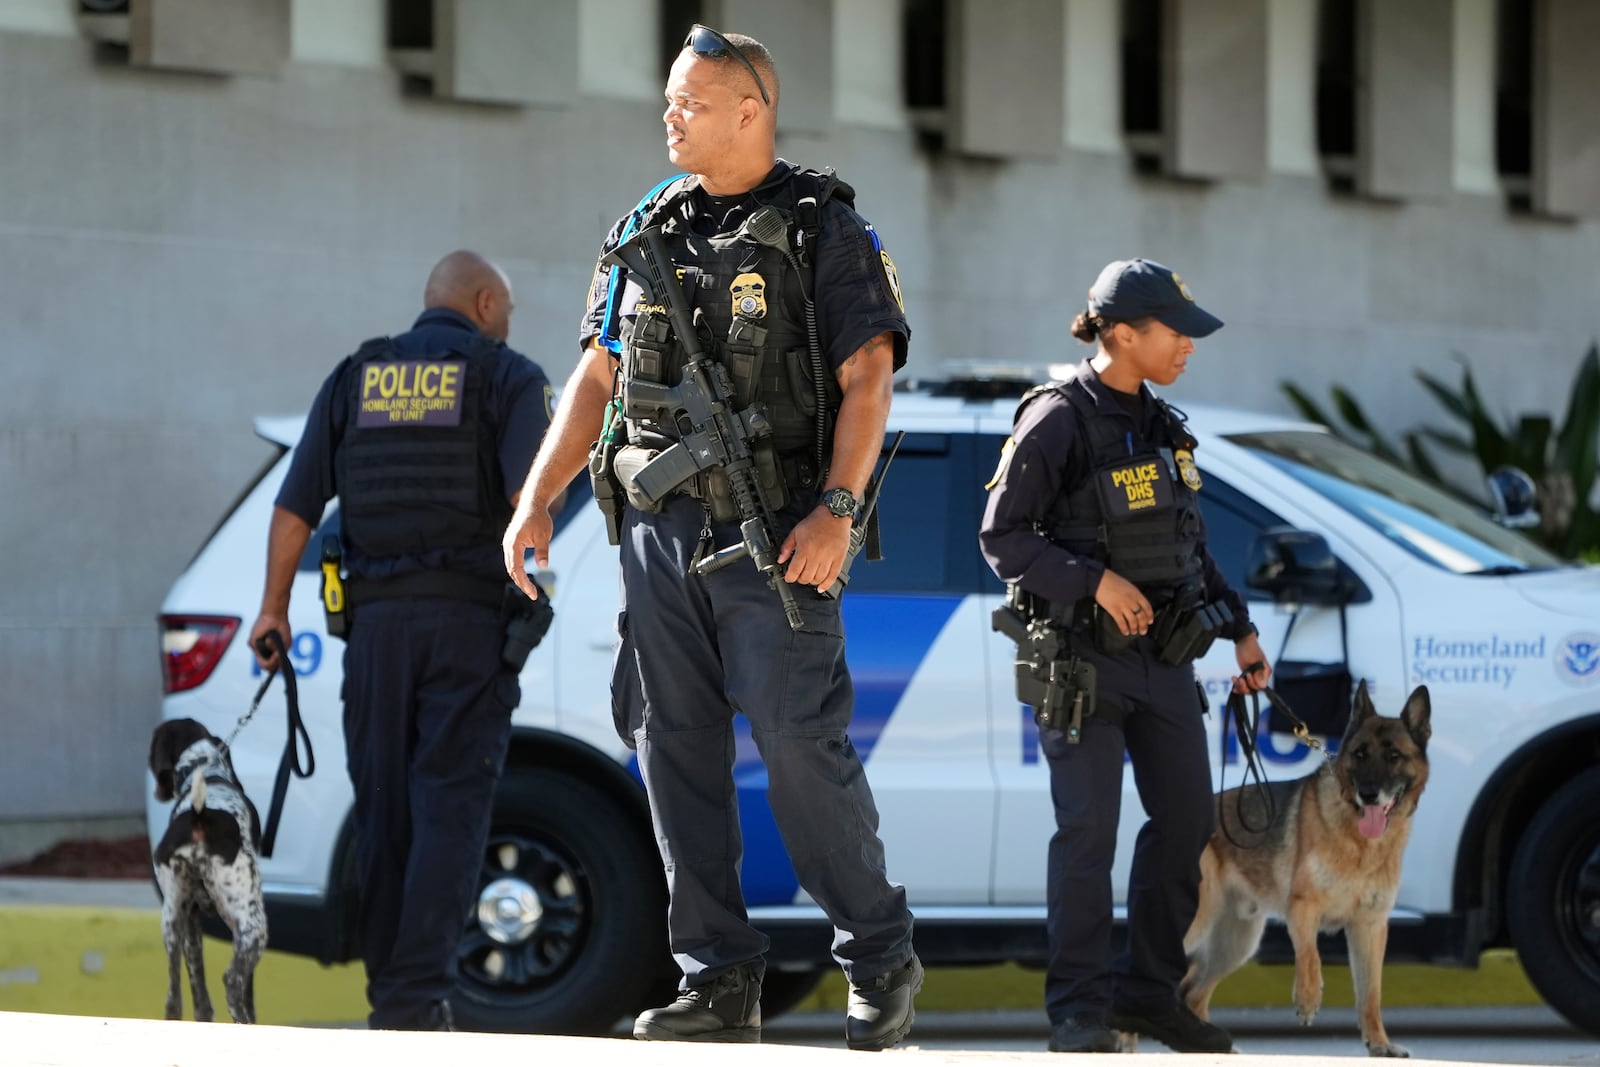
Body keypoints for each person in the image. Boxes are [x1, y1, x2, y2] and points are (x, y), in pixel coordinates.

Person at [501, 24, 920, 1051]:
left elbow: (868, 376)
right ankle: (718, 976)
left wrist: (836, 509)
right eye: (667, 101)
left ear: (751, 110)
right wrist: (533, 498)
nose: (668, 117)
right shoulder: (646, 223)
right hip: (656, 531)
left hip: (778, 530)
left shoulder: (824, 226)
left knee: (795, 747)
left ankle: (878, 955)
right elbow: (597, 377)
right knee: (672, 747)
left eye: (689, 102)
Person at [249, 250, 554, 1031]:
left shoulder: (357, 375)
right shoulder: (507, 375)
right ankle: (414, 1001)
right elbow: (528, 498)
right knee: (448, 805)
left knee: (385, 811)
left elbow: (296, 505)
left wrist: (272, 609)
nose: (507, 324)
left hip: (376, 632)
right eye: (507, 311)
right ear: (486, 302)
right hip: (464, 628)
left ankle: (394, 993)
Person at [978, 259, 1272, 1054]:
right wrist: (1093, 581)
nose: (1188, 346)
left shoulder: (1165, 426)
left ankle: (1148, 995)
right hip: (1081, 663)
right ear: (1122, 333)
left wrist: (1240, 628)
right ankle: (1078, 1006)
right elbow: (1002, 538)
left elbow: (1189, 546)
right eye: (1175, 332)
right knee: (1088, 834)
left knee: (1184, 824)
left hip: (1165, 662)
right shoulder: (1056, 419)